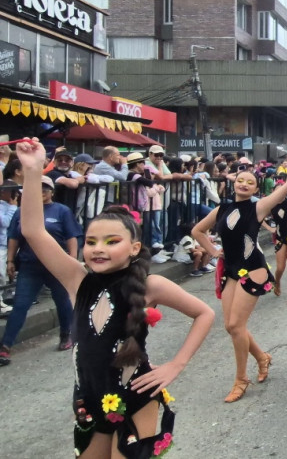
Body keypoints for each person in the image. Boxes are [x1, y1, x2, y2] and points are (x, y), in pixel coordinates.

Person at [11, 138, 214, 457]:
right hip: (89, 398)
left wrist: (177, 364)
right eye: (91, 241)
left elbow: (205, 314)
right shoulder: (78, 280)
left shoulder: (151, 285)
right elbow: (34, 231)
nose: (98, 248)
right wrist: (34, 170)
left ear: (134, 248)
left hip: (136, 396)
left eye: (111, 240)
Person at [191, 145, 287, 403]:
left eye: (250, 182)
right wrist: (214, 251)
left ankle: (241, 379)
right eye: (240, 180)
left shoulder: (258, 208)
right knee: (233, 327)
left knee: (234, 325)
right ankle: (262, 358)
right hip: (230, 270)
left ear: (256, 189)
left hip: (252, 269)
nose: (244, 184)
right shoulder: (222, 209)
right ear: (234, 184)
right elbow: (197, 231)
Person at [2, 174, 83, 365]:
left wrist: (71, 261)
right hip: (30, 265)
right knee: (20, 305)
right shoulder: (22, 211)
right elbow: (14, 237)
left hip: (56, 265)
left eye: (44, 188)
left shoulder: (61, 210)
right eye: (36, 189)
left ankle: (66, 334)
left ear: (51, 191)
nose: (40, 192)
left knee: (63, 301)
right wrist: (10, 261)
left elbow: (72, 237)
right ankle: (5, 346)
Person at [0, 180, 18, 317]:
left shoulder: (12, 206)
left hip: (8, 243)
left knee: (6, 275)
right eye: (13, 192)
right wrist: (13, 207)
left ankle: (5, 299)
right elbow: (6, 222)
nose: (15, 195)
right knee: (0, 275)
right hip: (1, 244)